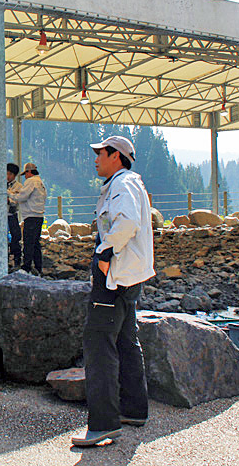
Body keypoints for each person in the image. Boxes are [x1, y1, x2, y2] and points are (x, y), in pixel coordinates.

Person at [72, 136, 155, 448]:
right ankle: (134, 409)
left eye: (100, 153)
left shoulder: (123, 184)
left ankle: (103, 425)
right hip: (129, 276)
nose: (95, 158)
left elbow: (127, 222)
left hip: (116, 276)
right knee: (125, 339)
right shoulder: (126, 182)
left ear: (116, 156)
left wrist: (105, 254)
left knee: (98, 344)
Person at [8, 162, 46, 274]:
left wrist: (9, 194)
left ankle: (26, 267)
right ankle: (38, 267)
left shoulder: (31, 181)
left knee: (28, 243)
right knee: (35, 243)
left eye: (25, 174)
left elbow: (22, 197)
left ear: (29, 172)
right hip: (39, 216)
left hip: (31, 216)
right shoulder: (40, 182)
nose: (25, 176)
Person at [6, 163, 22, 267]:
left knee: (15, 237)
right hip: (1, 215)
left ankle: (17, 260)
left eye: (10, 174)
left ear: (14, 175)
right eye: (6, 174)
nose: (7, 176)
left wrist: (8, 199)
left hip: (12, 215)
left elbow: (16, 201)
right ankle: (4, 260)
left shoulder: (19, 187)